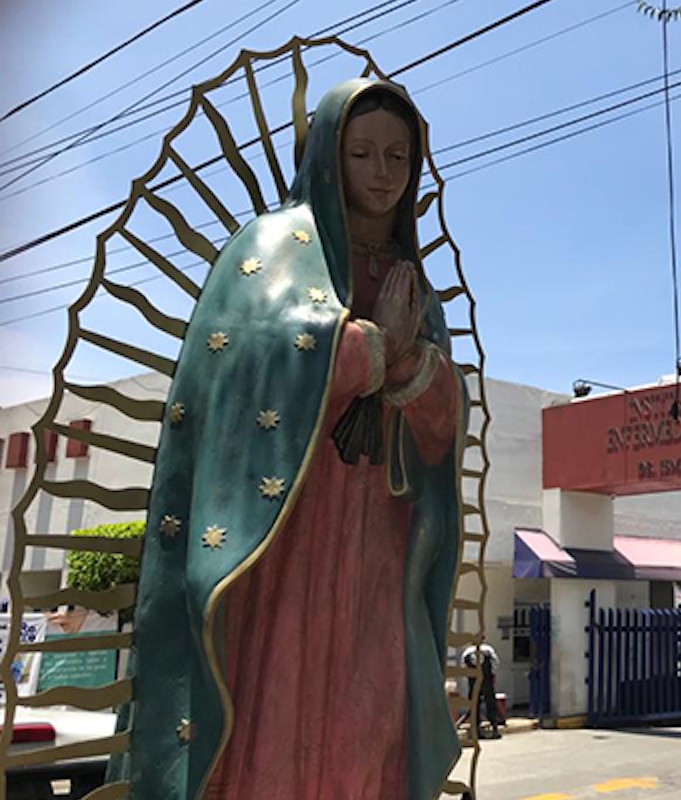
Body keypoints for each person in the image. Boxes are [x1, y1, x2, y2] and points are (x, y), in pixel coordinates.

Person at [114, 79, 466, 800]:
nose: (382, 172)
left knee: (370, 715)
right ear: (329, 158)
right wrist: (366, 347)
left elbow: (443, 419)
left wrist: (409, 366)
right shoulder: (276, 245)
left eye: (399, 156)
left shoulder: (413, 285)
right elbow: (249, 351)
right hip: (281, 537)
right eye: (362, 152)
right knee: (277, 707)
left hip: (378, 543)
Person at [461, 636, 502, 739]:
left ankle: (476, 729)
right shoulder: (488, 650)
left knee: (474, 703)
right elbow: (496, 663)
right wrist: (491, 673)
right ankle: (494, 728)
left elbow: (463, 666)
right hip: (486, 678)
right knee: (490, 702)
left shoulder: (467, 652)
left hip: (473, 680)